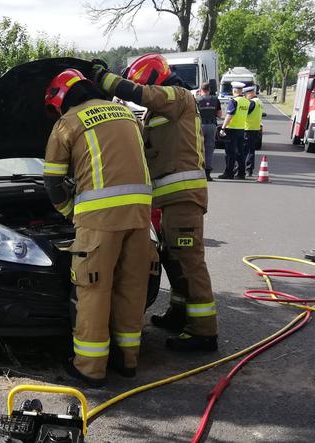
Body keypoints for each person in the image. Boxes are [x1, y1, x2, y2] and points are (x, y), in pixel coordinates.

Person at [91, 54, 219, 352]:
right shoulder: (159, 110)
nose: (138, 87)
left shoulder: (178, 96)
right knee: (173, 258)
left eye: (140, 81)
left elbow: (139, 93)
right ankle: (179, 313)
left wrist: (101, 78)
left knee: (189, 262)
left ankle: (203, 331)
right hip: (167, 200)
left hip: (183, 198)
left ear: (151, 76)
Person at [42, 68, 157, 387]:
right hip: (139, 217)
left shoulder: (68, 122)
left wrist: (69, 212)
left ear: (61, 98)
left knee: (93, 290)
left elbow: (52, 181)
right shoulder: (125, 114)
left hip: (98, 221)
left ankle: (90, 369)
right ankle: (128, 360)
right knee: (130, 287)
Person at [218, 82, 251, 180]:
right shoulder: (247, 101)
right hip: (241, 129)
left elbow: (230, 115)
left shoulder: (233, 101)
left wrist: (223, 128)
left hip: (231, 129)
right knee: (240, 152)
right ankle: (241, 173)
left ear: (234, 90)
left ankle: (229, 173)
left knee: (230, 153)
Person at [196, 82, 222, 181]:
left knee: (198, 149)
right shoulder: (215, 100)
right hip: (211, 126)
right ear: (209, 90)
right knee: (209, 149)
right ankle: (207, 174)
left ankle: (199, 171)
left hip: (199, 126)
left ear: (200, 90)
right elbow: (219, 114)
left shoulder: (196, 100)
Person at [243, 85, 263, 176]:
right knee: (251, 150)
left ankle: (245, 169)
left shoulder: (251, 103)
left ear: (250, 93)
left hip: (248, 128)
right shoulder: (259, 102)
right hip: (255, 128)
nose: (245, 96)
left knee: (245, 150)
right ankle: (249, 170)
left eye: (246, 94)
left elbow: (244, 114)